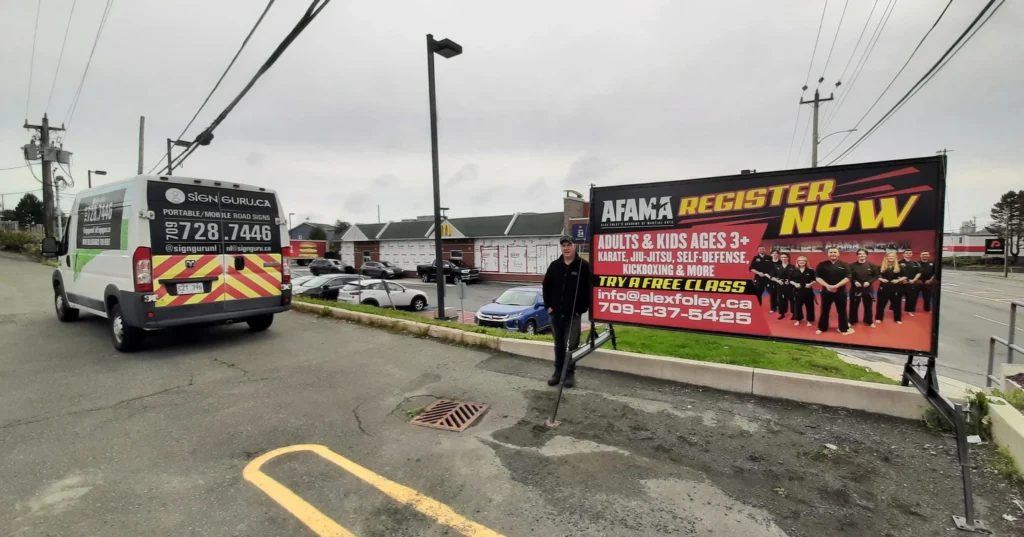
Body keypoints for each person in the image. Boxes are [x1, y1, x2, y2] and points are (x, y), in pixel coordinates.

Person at [542, 235, 592, 388]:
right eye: (563, 246)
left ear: (574, 246)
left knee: (571, 345)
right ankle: (557, 372)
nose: (566, 248)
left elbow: (588, 290)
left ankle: (569, 374)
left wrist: (580, 309)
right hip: (556, 314)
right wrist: (548, 306)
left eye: (568, 245)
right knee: (559, 345)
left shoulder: (583, 266)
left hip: (573, 315)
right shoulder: (554, 266)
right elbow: (546, 287)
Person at [815, 247, 854, 335]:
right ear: (828, 254)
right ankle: (822, 328)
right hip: (826, 291)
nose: (833, 254)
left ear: (838, 254)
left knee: (842, 311)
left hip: (840, 291)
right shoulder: (822, 264)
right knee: (824, 310)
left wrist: (836, 286)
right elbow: (817, 277)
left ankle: (843, 328)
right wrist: (827, 286)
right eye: (831, 252)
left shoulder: (845, 264)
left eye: (835, 252)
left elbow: (848, 277)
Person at [849, 248, 879, 328]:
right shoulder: (852, 265)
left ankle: (869, 321)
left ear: (866, 255)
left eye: (863, 254)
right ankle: (852, 321)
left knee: (868, 306)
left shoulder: (872, 265)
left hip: (867, 288)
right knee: (853, 305)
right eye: (860, 254)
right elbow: (849, 276)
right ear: (857, 255)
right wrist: (854, 281)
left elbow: (876, 276)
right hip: (856, 288)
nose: (862, 255)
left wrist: (869, 282)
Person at [876, 251, 905, 324]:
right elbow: (875, 275)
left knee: (897, 304)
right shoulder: (881, 266)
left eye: (892, 256)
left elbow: (905, 276)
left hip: (896, 288)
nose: (891, 258)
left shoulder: (900, 266)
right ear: (886, 257)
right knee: (880, 304)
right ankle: (879, 318)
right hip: (883, 288)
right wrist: (881, 279)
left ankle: (897, 319)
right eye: (889, 256)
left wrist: (898, 280)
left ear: (895, 257)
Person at [789, 255, 816, 327]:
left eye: (803, 260)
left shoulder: (810, 271)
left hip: (808, 291)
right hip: (797, 291)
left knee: (809, 306)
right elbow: (790, 280)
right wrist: (795, 284)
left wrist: (810, 284)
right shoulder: (793, 270)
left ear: (806, 262)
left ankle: (809, 320)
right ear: (797, 262)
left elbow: (816, 279)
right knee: (797, 306)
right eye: (800, 260)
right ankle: (798, 319)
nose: (801, 262)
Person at [898, 249, 921, 317]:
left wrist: (914, 280)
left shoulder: (915, 263)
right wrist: (900, 279)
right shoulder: (898, 262)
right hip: (901, 283)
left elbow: (919, 272)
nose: (908, 254)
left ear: (912, 254)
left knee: (911, 298)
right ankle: (897, 311)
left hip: (911, 283)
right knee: (897, 298)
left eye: (910, 253)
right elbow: (895, 272)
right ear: (903, 254)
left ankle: (909, 311)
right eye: (906, 253)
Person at [772, 253, 794, 320]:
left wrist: (790, 281)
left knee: (792, 299)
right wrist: (778, 281)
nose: (784, 259)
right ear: (780, 258)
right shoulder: (777, 266)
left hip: (790, 286)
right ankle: (782, 313)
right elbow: (772, 276)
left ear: (788, 258)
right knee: (781, 300)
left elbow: (796, 276)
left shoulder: (792, 267)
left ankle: (794, 314)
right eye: (782, 257)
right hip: (780, 285)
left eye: (785, 257)